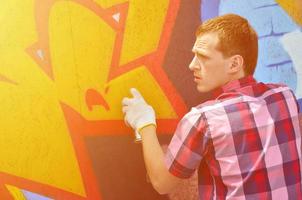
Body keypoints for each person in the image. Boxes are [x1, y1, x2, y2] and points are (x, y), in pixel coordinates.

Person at [122, 14, 302, 199]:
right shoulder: (285, 97)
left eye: (203, 57)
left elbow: (162, 182)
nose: (192, 65)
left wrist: (144, 123)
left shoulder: (205, 119)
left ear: (234, 64)